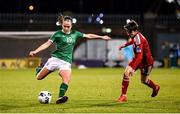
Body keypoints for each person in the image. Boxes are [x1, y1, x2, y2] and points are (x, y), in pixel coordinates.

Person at [29, 15, 111, 104]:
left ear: (71, 26)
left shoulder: (75, 33)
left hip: (66, 62)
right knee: (39, 78)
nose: (66, 28)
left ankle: (60, 97)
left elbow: (88, 35)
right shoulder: (57, 34)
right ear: (62, 25)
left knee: (66, 79)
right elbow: (47, 44)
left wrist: (101, 37)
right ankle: (39, 69)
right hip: (55, 60)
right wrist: (35, 51)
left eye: (68, 26)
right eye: (65, 26)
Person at [117, 19, 160, 103]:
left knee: (144, 81)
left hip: (146, 63)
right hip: (138, 59)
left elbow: (140, 56)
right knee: (126, 72)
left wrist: (133, 69)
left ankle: (155, 87)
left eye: (128, 31)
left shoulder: (139, 39)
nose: (127, 33)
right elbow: (133, 41)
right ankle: (123, 96)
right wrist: (125, 45)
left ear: (133, 31)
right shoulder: (135, 36)